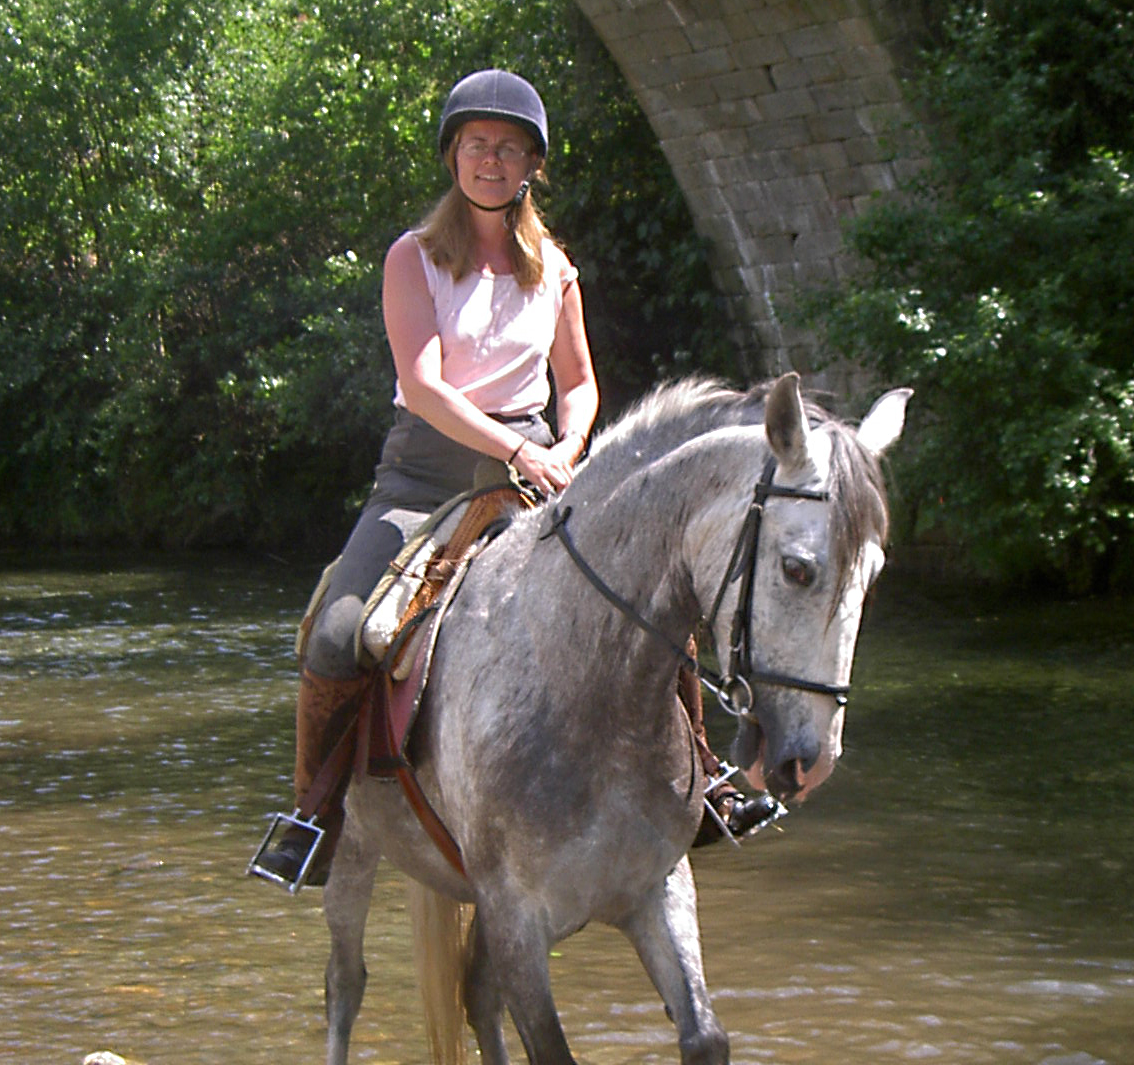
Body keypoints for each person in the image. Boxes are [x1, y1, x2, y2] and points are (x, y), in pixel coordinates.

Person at [285, 66, 771, 889]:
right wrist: (516, 452)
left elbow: (577, 381)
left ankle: (704, 780)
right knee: (340, 631)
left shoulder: (553, 266)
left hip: (540, 470)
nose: (491, 161)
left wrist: (569, 444)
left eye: (509, 149)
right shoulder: (413, 258)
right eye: (477, 145)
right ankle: (313, 811)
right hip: (423, 472)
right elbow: (427, 383)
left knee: (655, 604)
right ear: (453, 157)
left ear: (531, 166)